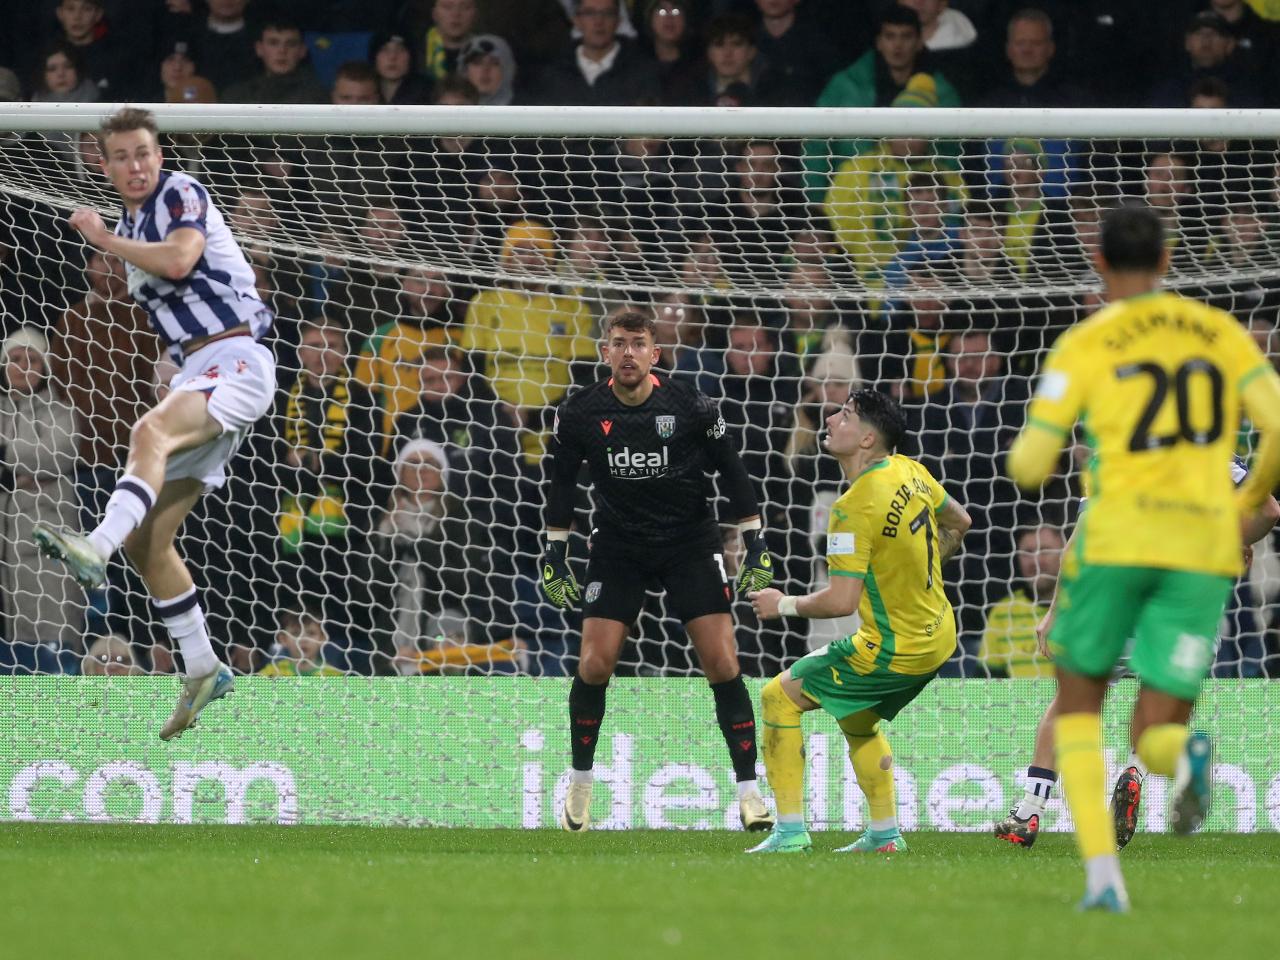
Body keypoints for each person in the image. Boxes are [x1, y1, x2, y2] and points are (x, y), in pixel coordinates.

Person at [1006, 203, 1280, 911]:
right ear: (1167, 259)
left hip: (1118, 546)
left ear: (1098, 262)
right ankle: (1180, 762)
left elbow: (1032, 463)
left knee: (1077, 708)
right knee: (1158, 725)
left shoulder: (1089, 342)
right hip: (1195, 558)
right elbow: (1275, 427)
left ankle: (1102, 880)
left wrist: (1048, 444)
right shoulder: (1219, 334)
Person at [33, 107, 275, 741]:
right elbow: (171, 308)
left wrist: (105, 243)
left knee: (148, 434)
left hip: (240, 356)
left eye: (144, 152)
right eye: (121, 157)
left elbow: (180, 260)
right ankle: (202, 666)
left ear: (158, 155)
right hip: (202, 368)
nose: (136, 166)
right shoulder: (128, 223)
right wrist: (172, 368)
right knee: (151, 544)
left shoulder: (181, 193)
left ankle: (94, 547)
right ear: (104, 164)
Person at [540, 310, 777, 832]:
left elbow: (734, 472)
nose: (627, 352)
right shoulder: (581, 410)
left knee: (721, 662)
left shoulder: (689, 404)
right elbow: (561, 485)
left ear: (655, 354)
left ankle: (750, 793)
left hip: (689, 543)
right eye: (618, 343)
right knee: (595, 664)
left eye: (638, 344)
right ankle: (580, 782)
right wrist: (555, 553)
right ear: (605, 353)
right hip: (619, 545)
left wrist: (755, 541)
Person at [994, 456, 1279, 846]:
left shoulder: (1112, 447)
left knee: (1072, 702)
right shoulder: (1210, 446)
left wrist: (1055, 610)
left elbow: (1081, 539)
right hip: (1190, 600)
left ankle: (1029, 810)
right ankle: (1137, 770)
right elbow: (1269, 510)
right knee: (1162, 706)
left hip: (1121, 592)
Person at [744, 388, 972, 853]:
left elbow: (841, 602)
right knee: (858, 720)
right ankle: (885, 836)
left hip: (893, 648)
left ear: (867, 439)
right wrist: (913, 568)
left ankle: (788, 832)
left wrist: (781, 604)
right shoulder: (911, 471)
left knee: (777, 698)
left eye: (844, 415)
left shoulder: (851, 508)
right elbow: (961, 521)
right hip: (940, 635)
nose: (830, 418)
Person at [1, 327, 83, 675]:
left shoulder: (61, 410)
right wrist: (21, 473)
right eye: (15, 359)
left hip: (49, 529)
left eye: (32, 358)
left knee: (55, 628)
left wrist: (6, 460)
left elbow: (60, 453)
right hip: (7, 542)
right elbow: (38, 460)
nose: (23, 366)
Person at [977, 525, 1063, 679]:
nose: (1036, 560)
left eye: (1044, 550)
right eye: (1027, 552)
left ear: (1065, 553)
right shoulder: (1003, 611)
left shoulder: (1088, 606)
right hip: (1019, 702)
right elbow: (985, 683)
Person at [221, 18, 328, 104]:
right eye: (273, 43)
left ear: (302, 51)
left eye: (291, 44)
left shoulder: (316, 99)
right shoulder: (236, 95)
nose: (282, 51)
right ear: (259, 48)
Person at [258, 606, 345, 676]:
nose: (303, 639)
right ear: (283, 639)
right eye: (295, 633)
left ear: (322, 638)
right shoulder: (272, 673)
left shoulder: (333, 675)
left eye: (311, 633)